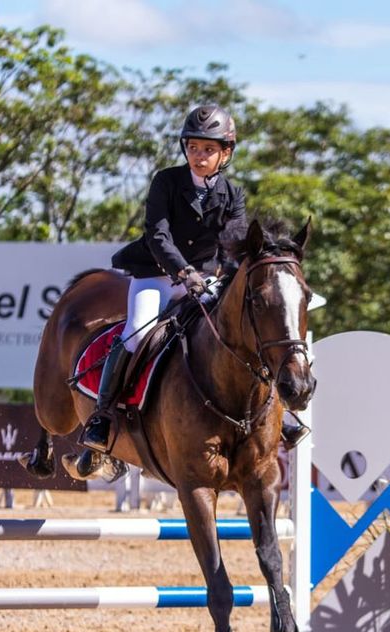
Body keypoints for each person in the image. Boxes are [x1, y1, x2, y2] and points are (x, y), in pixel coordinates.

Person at [81, 103, 308, 453]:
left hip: (203, 279)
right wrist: (183, 272)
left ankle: (281, 412)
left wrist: (216, 277)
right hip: (156, 275)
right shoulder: (166, 181)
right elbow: (158, 236)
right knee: (136, 333)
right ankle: (103, 414)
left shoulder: (232, 195)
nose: (199, 157)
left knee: (246, 330)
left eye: (208, 150)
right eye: (193, 148)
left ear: (225, 153)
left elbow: (233, 241)